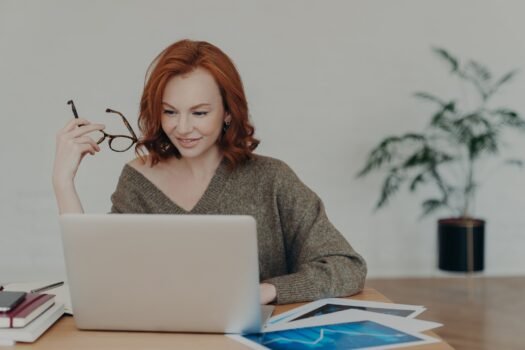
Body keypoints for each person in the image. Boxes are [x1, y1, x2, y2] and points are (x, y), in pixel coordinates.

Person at [53, 39, 367, 305]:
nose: (183, 128)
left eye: (200, 112)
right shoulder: (138, 181)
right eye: (170, 112)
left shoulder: (272, 179)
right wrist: (63, 182)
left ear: (229, 112)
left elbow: (347, 267)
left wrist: (266, 291)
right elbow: (98, 281)